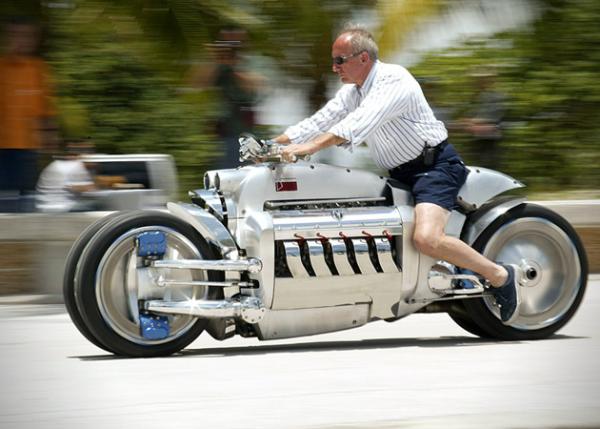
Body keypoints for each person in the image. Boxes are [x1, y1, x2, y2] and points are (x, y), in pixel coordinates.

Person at [273, 25, 521, 324]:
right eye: (334, 60)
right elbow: (320, 119)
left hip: (433, 168)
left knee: (427, 239)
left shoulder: (394, 80)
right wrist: (275, 144)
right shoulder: (353, 92)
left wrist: (308, 148)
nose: (334, 67)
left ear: (362, 58)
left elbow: (356, 124)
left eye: (340, 60)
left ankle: (500, 276)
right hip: (397, 173)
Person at [0, 17, 58, 211]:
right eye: (16, 35)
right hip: (2, 150)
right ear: (8, 37)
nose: (22, 40)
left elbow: (46, 111)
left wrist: (50, 144)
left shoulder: (38, 69)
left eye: (27, 36)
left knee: (26, 204)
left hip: (28, 152)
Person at [189, 28, 262, 169]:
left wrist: (233, 66)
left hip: (245, 132)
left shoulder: (253, 62)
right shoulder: (218, 65)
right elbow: (196, 84)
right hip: (222, 133)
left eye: (235, 40)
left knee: (243, 176)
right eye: (226, 40)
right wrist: (215, 60)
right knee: (220, 179)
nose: (231, 44)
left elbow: (255, 85)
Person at [36, 141, 97, 213]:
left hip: (45, 206)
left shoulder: (55, 164)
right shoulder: (76, 165)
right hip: (62, 207)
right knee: (103, 202)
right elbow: (88, 190)